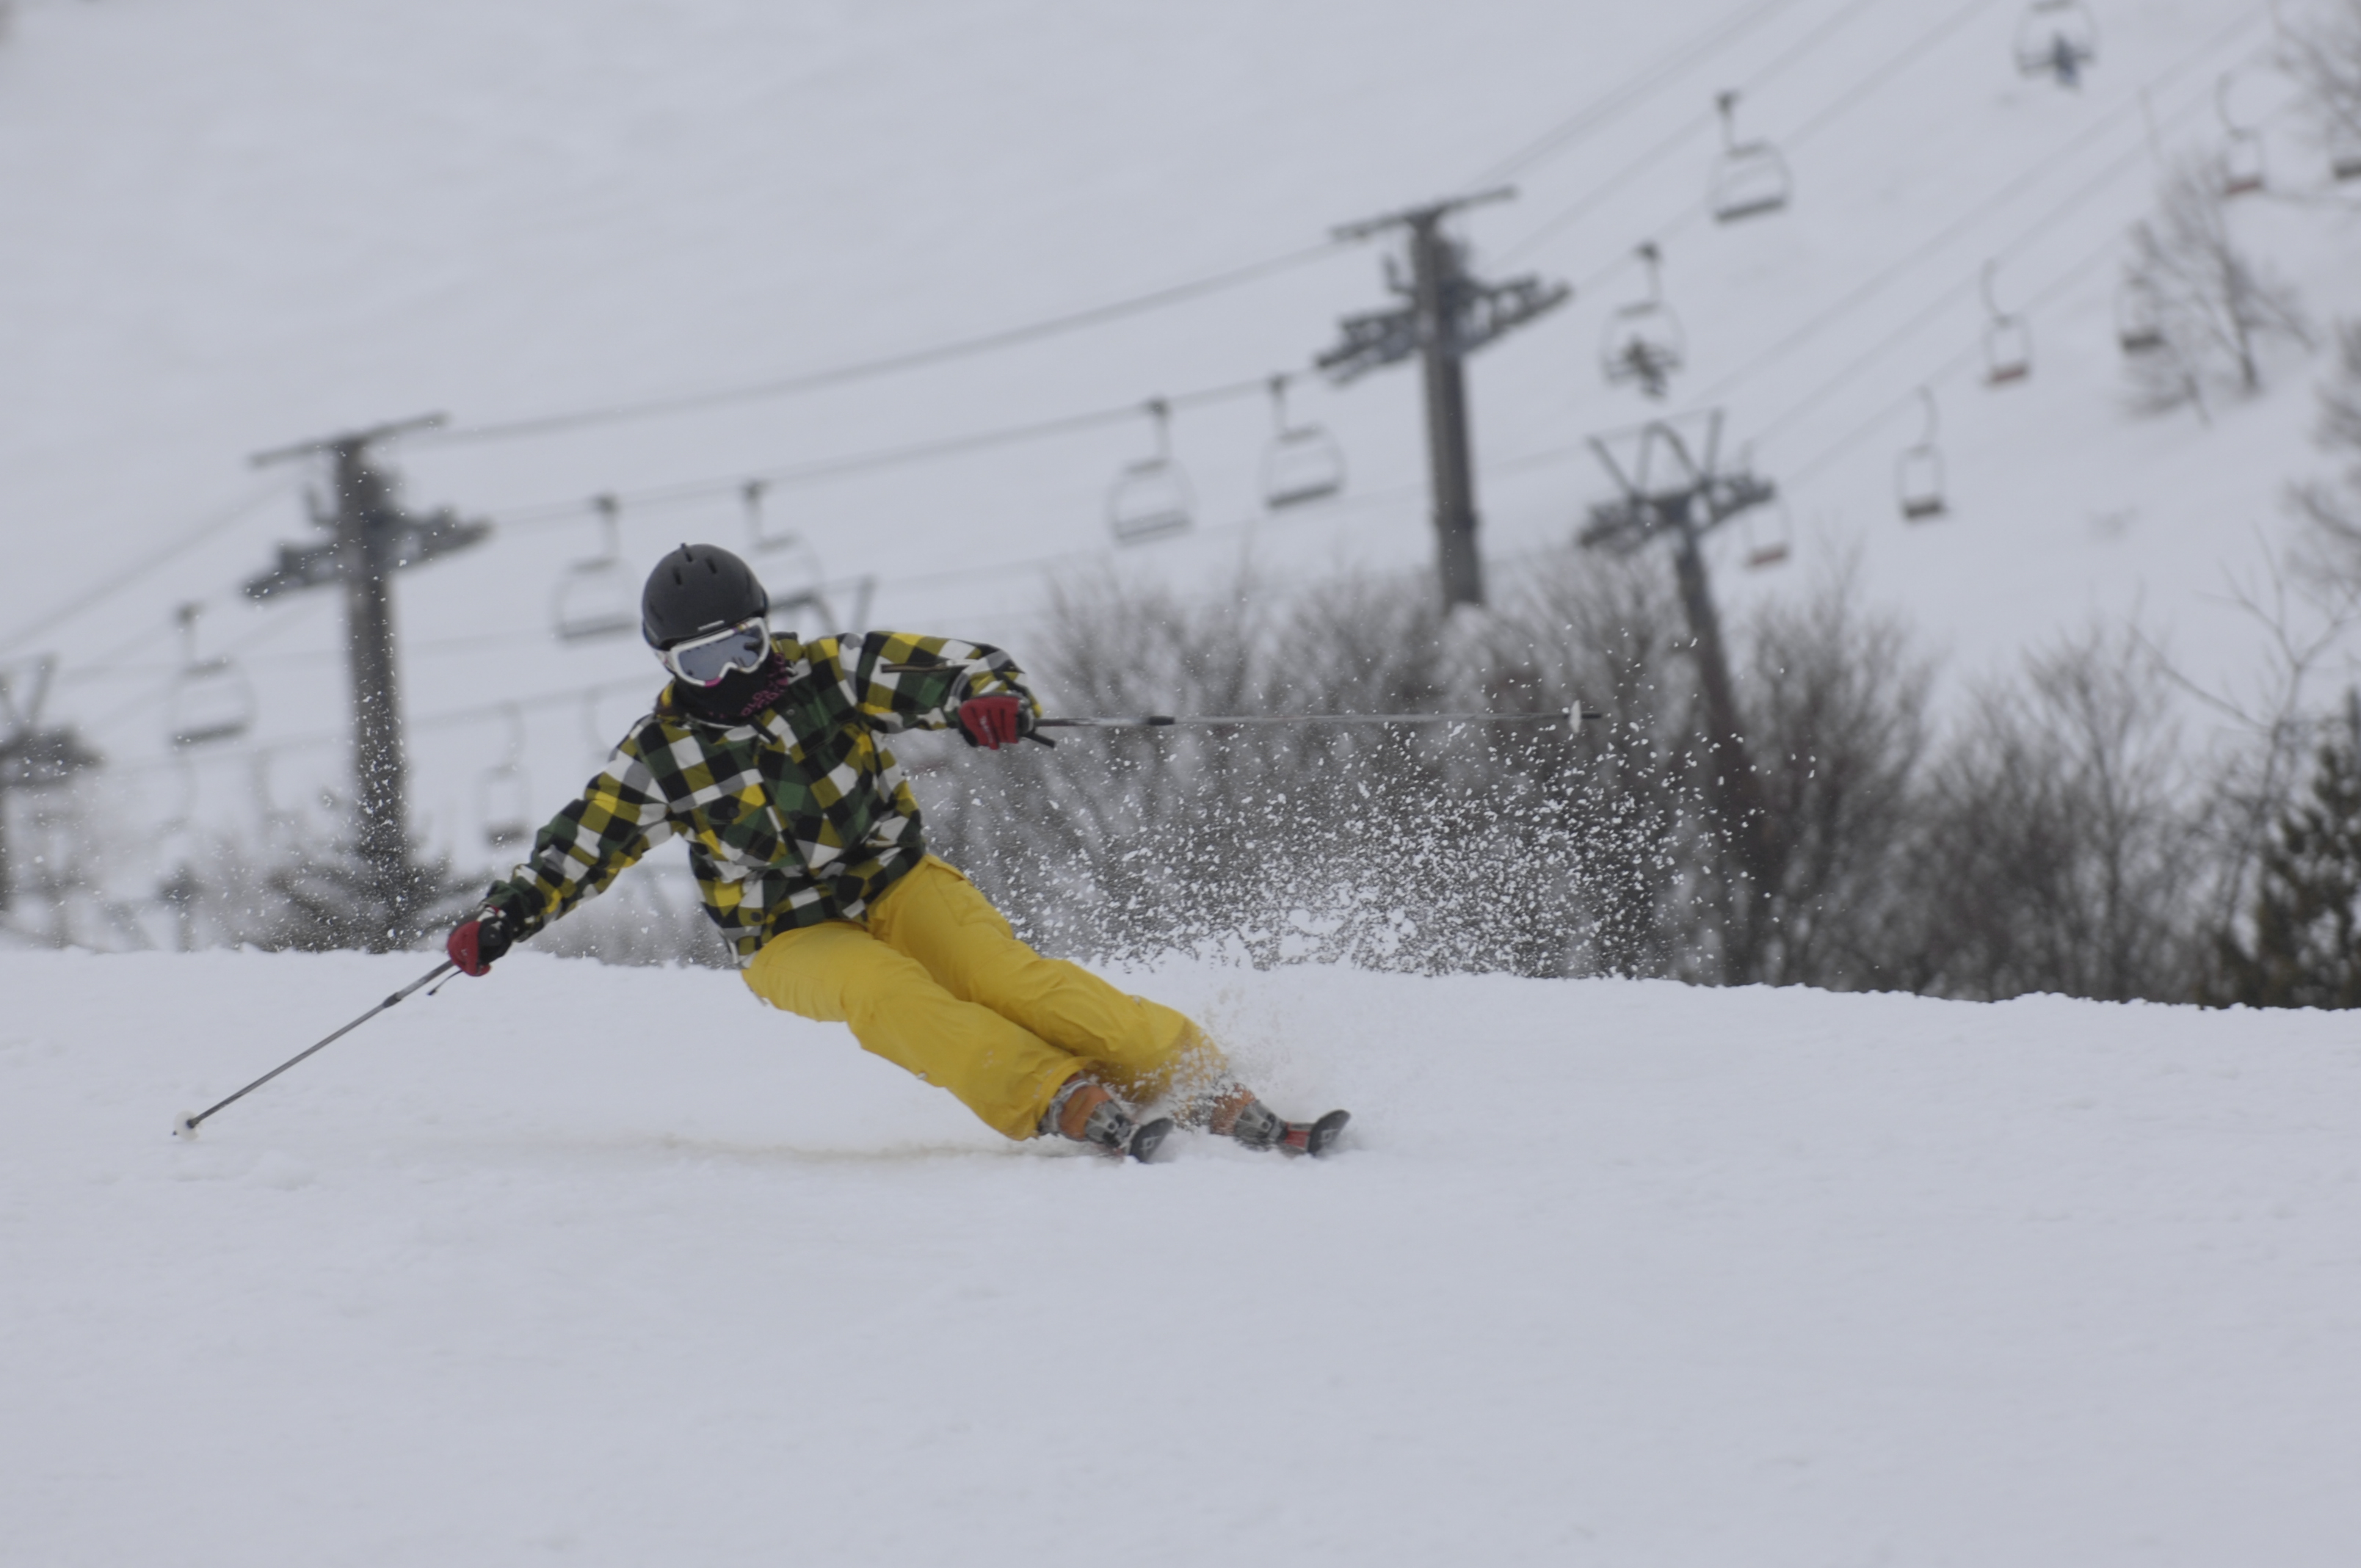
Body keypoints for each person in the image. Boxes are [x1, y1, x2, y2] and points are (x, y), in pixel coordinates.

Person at [443, 543, 1347, 1161]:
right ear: (669, 668)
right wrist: (506, 915)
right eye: (703, 665)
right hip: (786, 937)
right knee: (887, 996)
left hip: (895, 879)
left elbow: (956, 667)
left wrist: (988, 702)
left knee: (1009, 981)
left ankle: (1199, 1083)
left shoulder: (831, 672)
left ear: (768, 628)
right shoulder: (661, 756)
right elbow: (582, 843)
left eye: (745, 648)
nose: (733, 680)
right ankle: (1059, 1097)